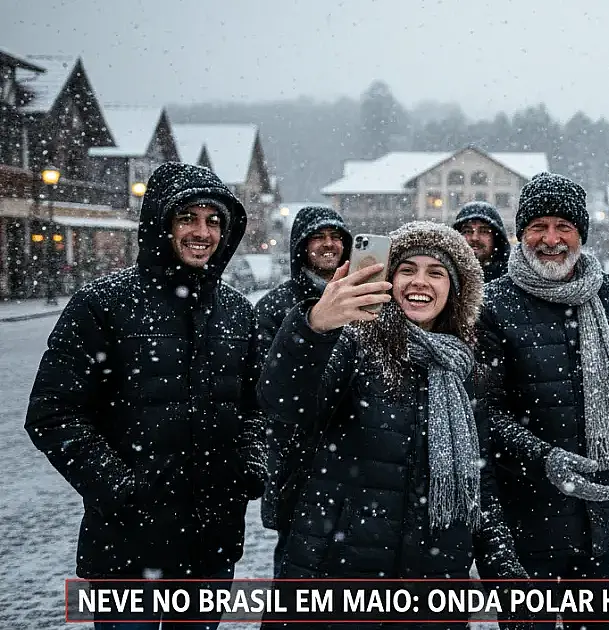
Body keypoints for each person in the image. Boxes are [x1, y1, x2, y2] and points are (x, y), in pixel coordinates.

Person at [25, 161, 267, 630]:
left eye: (214, 221)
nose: (203, 232)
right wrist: (120, 487)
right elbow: (52, 414)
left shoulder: (237, 312)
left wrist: (249, 462)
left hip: (209, 545)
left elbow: (259, 409)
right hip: (125, 550)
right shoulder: (103, 304)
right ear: (161, 223)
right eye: (188, 218)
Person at [259, 221, 526, 628]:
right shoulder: (351, 343)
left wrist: (503, 567)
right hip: (339, 576)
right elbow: (284, 401)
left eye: (436, 273)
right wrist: (313, 327)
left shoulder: (463, 369)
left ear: (455, 290)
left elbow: (477, 482)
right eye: (407, 269)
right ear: (388, 278)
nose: (420, 281)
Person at [477, 172, 609, 630]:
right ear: (520, 233)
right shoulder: (492, 303)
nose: (552, 239)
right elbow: (482, 411)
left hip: (602, 508)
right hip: (527, 514)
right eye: (539, 226)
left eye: (564, 226)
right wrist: (543, 457)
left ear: (582, 233)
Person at [252, 205, 351, 574]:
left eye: (336, 237)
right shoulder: (275, 307)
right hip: (298, 457)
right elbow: (267, 388)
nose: (329, 245)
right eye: (319, 237)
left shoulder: (367, 297)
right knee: (298, 560)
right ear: (301, 246)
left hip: (356, 452)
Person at [453, 200, 512, 283]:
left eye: (484, 231)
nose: (474, 238)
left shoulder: (512, 280)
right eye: (467, 231)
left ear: (496, 238)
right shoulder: (446, 278)